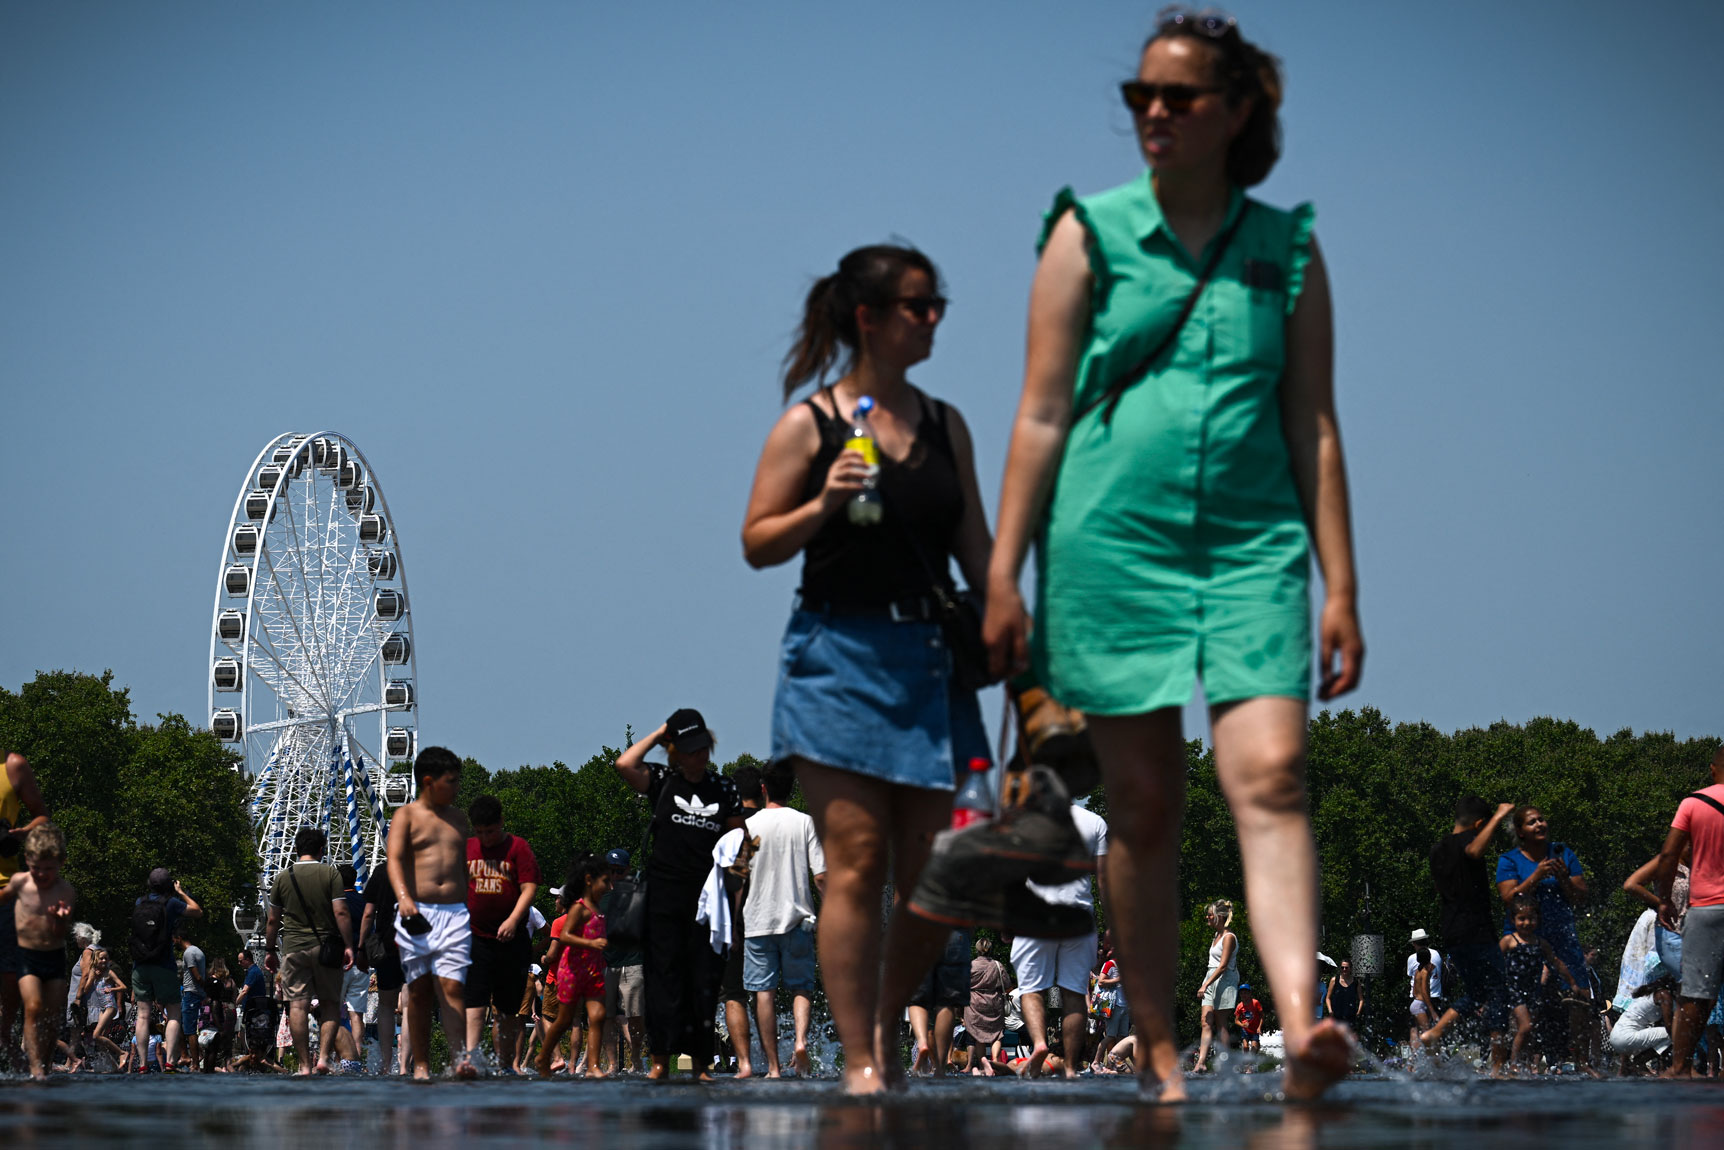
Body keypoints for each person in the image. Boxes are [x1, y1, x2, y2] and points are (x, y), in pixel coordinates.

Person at [980, 9, 1362, 1102]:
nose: (1151, 112)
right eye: (1137, 96)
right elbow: (1040, 412)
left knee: (1271, 776)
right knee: (1143, 806)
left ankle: (1299, 1029)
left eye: (1176, 97)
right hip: (1110, 545)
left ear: (1234, 112)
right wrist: (1003, 571)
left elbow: (1313, 426)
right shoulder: (1084, 235)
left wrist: (1343, 583)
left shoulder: (1284, 246)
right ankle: (1158, 1058)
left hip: (1250, 548)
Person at [742, 240, 998, 1094]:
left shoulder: (943, 424)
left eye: (938, 305)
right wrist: (826, 502)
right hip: (837, 655)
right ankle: (860, 1061)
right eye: (919, 306)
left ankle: (882, 1018)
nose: (934, 320)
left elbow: (978, 549)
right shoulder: (810, 424)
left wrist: (1010, 612)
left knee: (941, 872)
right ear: (869, 318)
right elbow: (756, 541)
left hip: (929, 661)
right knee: (854, 858)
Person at [614, 712, 742, 1080]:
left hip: (709, 902)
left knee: (703, 980)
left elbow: (741, 850)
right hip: (664, 898)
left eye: (703, 746)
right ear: (675, 752)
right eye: (690, 749)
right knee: (663, 979)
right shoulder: (662, 780)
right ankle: (659, 1060)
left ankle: (701, 1063)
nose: (699, 754)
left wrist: (734, 913)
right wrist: (658, 734)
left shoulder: (724, 788)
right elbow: (624, 763)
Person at [387, 746, 475, 1080]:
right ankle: (421, 1065)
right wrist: (404, 898)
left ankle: (460, 1060)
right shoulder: (406, 816)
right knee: (421, 990)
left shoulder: (458, 818)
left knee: (452, 988)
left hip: (454, 913)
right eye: (451, 781)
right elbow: (393, 859)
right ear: (428, 781)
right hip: (417, 911)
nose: (456, 788)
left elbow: (461, 866)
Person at [742, 760, 827, 1078]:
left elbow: (738, 875)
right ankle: (801, 1042)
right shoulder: (804, 823)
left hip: (758, 920)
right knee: (801, 987)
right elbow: (820, 877)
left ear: (763, 788)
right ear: (792, 789)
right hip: (799, 919)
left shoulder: (749, 828)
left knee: (764, 993)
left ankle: (774, 1067)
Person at [1012, 801, 1108, 1077]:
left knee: (1031, 989)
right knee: (1074, 993)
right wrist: (1110, 925)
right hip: (1078, 915)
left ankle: (1040, 1044)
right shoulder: (1095, 822)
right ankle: (1068, 1067)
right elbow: (1103, 880)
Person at [1420, 796, 1514, 1068]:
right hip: (1476, 929)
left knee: (1477, 992)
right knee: (1498, 991)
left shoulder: (1437, 849)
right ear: (1479, 824)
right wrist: (1499, 817)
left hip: (1452, 929)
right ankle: (1498, 1069)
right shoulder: (1470, 844)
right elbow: (1473, 852)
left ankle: (1435, 1032)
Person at [1496, 806, 1592, 1068]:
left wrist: (1563, 878)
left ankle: (1582, 1060)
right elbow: (1508, 898)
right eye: (1531, 822)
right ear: (1520, 831)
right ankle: (1514, 1063)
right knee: (1522, 999)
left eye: (1541, 819)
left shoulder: (1562, 853)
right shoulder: (1510, 860)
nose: (1539, 824)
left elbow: (1581, 896)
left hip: (1561, 934)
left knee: (1579, 994)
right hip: (1524, 936)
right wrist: (1537, 875)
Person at [1655, 746, 1724, 1078]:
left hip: (1707, 907)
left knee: (1697, 992)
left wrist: (1664, 900)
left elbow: (1669, 856)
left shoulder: (1694, 803)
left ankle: (1680, 1067)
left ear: (1713, 769)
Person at [264, 825, 354, 1075]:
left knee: (298, 1006)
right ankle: (324, 1058)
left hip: (294, 948)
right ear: (322, 850)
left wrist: (270, 950)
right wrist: (348, 945)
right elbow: (341, 911)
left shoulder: (283, 877)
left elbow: (273, 920)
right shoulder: (331, 875)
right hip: (326, 948)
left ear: (296, 849)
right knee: (329, 1004)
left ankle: (304, 1065)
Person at [463, 794, 540, 1070]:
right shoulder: (467, 849)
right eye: (480, 832)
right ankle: (470, 1058)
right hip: (476, 938)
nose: (486, 838)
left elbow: (529, 887)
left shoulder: (518, 848)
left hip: (511, 941)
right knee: (474, 1002)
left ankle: (505, 1065)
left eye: (491, 831)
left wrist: (513, 919)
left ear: (502, 823)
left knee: (506, 1010)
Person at [0, 824, 74, 1079]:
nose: (42, 874)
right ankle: (34, 1069)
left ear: (61, 863)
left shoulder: (65, 891)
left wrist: (60, 920)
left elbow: (58, 934)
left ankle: (44, 1063)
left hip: (53, 957)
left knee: (53, 1016)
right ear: (27, 860)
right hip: (27, 957)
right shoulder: (21, 882)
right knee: (32, 1006)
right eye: (36, 868)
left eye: (49, 869)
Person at [535, 852, 610, 1078]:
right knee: (564, 1020)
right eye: (605, 881)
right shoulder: (579, 908)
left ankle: (593, 1067)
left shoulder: (598, 909)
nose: (608, 886)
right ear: (589, 881)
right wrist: (590, 942)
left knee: (597, 1016)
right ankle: (543, 1056)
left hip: (593, 971)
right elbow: (565, 936)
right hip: (573, 972)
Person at [0, 751, 50, 1060]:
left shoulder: (12, 766)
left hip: (5, 885)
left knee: (8, 973)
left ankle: (3, 1037)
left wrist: (21, 833)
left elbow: (42, 815)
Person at [129, 866, 203, 1073]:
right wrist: (180, 893)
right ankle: (170, 1061)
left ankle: (142, 1064)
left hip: (140, 965)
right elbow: (197, 911)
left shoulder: (139, 902)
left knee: (142, 1015)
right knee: (173, 1013)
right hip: (164, 965)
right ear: (169, 885)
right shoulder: (171, 904)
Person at [1500, 894, 1583, 1071]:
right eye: (1521, 919)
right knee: (1525, 1026)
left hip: (1532, 991)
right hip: (1514, 991)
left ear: (1538, 920)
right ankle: (1513, 1064)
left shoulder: (1540, 943)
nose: (1526, 923)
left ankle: (1529, 1064)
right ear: (1513, 920)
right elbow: (1494, 963)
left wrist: (1572, 982)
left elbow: (1556, 962)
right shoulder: (1509, 941)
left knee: (1531, 1031)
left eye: (1531, 919)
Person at [597, 848, 646, 1075]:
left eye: (619, 870)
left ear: (627, 870)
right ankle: (612, 1064)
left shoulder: (639, 893)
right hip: (607, 963)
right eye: (610, 870)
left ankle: (636, 1058)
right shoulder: (599, 897)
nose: (614, 874)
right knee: (606, 1015)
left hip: (633, 961)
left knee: (635, 1016)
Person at [907, 929, 972, 1078]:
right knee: (946, 1003)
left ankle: (922, 1042)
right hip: (954, 933)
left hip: (919, 933)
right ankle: (941, 1066)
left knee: (918, 1000)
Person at [1193, 900, 1239, 1072]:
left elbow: (1223, 966)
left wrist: (1205, 985)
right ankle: (1201, 1063)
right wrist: (1206, 983)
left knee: (1220, 1023)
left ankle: (1225, 1064)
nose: (1207, 917)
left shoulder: (1229, 938)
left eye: (1210, 914)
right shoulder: (1216, 936)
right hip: (1211, 977)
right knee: (1206, 1021)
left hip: (1224, 979)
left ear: (1219, 917)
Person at [963, 936, 1011, 1075]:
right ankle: (995, 1061)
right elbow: (1007, 986)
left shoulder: (970, 965)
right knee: (997, 1034)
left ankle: (984, 1063)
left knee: (978, 1035)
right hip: (994, 1003)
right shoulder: (997, 965)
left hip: (974, 1003)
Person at [235, 948, 276, 1068]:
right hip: (255, 1011)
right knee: (240, 1033)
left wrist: (236, 1002)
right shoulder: (253, 971)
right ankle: (248, 1053)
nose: (239, 963)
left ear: (248, 960)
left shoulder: (253, 972)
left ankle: (249, 1054)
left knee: (242, 1032)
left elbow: (245, 991)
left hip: (253, 1012)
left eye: (240, 961)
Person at [175, 925, 207, 1069]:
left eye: (174, 940)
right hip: (195, 994)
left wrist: (205, 988)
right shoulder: (198, 951)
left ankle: (194, 1063)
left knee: (189, 1030)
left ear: (179, 938)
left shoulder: (188, 953)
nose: (173, 942)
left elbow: (197, 976)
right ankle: (185, 1055)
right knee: (179, 1025)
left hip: (191, 994)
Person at [1323, 959, 1361, 1030]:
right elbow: (1328, 998)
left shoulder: (1356, 981)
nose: (1344, 969)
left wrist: (1358, 1012)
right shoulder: (1334, 980)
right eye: (1342, 967)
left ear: (1350, 969)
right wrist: (1330, 1010)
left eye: (1346, 968)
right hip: (1336, 1014)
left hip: (1350, 1015)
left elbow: (1361, 999)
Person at [1234, 984, 1264, 1053]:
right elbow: (1236, 1020)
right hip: (1245, 1029)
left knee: (1254, 1048)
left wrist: (1259, 1027)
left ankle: (1252, 1061)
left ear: (1250, 993)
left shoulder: (1255, 1003)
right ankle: (1246, 1062)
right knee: (1245, 1046)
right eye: (1241, 993)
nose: (1243, 995)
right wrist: (1242, 1025)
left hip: (1255, 1029)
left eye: (1245, 993)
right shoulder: (1239, 1006)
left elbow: (1262, 1016)